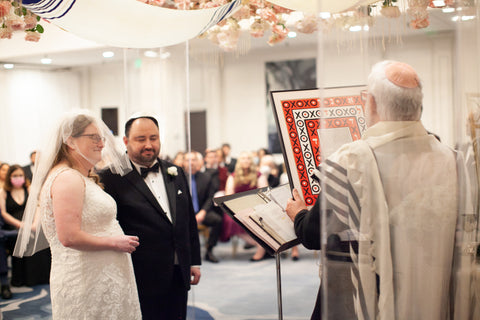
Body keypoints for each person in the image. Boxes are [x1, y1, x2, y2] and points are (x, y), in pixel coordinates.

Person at [286, 61, 476, 319]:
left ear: (372, 103)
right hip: (435, 292)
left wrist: (299, 214)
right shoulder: (454, 160)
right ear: (419, 105)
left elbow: (312, 234)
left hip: (370, 297)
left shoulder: (351, 160)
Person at [13, 111, 141, 319]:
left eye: (102, 137)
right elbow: (69, 236)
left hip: (99, 275)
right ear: (70, 141)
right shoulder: (67, 178)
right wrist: (114, 243)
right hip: (86, 279)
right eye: (94, 137)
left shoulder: (78, 176)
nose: (101, 143)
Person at [100, 114, 201, 320]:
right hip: (139, 272)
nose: (149, 144)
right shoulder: (109, 178)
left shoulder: (175, 171)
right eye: (141, 139)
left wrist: (194, 261)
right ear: (126, 141)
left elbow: (187, 219)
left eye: (153, 138)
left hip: (177, 269)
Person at [0, 165, 50, 288]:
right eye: (15, 176)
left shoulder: (29, 188)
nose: (18, 178)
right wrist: (21, 225)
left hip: (32, 222)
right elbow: (4, 213)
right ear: (9, 178)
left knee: (41, 235)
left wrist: (34, 224)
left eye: (20, 175)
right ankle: (23, 278)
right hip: (13, 225)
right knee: (22, 237)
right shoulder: (4, 192)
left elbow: (38, 206)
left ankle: (40, 276)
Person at [224, 151, 269, 261]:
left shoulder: (259, 175)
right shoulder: (233, 176)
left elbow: (265, 193)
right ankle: (262, 244)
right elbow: (228, 195)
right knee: (230, 220)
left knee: (258, 217)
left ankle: (261, 249)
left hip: (256, 206)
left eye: (248, 158)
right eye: (243, 158)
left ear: (251, 161)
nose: (246, 160)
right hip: (237, 207)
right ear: (239, 162)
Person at [184, 151, 223, 263]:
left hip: (201, 211)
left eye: (194, 160)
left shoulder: (206, 177)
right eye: (188, 160)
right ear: (183, 162)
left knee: (217, 220)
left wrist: (203, 212)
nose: (191, 163)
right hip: (185, 213)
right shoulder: (179, 178)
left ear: (199, 162)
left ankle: (209, 250)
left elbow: (210, 197)